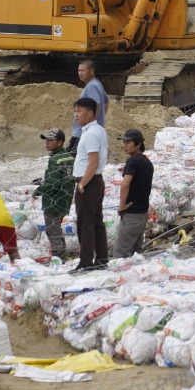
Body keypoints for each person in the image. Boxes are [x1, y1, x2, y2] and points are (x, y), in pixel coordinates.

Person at [71, 98, 110, 268]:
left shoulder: (91, 133)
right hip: (95, 181)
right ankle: (101, 259)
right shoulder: (99, 130)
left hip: (88, 182)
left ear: (90, 113)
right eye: (75, 111)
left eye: (79, 111)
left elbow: (93, 162)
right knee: (96, 222)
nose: (76, 115)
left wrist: (82, 184)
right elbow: (106, 155)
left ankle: (85, 262)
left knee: (85, 224)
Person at [113, 130, 153, 259]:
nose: (125, 145)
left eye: (128, 142)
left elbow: (125, 184)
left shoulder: (132, 162)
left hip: (132, 214)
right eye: (124, 142)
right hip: (142, 212)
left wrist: (122, 205)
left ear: (138, 144)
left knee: (121, 254)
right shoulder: (147, 162)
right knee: (136, 253)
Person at [35, 130, 75, 258]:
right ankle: (62, 253)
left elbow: (53, 183)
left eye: (50, 140)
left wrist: (38, 190)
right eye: (46, 140)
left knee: (52, 231)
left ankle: (59, 257)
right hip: (65, 199)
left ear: (60, 142)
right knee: (57, 228)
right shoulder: (68, 156)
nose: (47, 143)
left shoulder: (56, 159)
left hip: (53, 200)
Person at [73, 63, 109, 142]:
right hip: (93, 131)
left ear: (92, 71)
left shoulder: (91, 86)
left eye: (83, 70)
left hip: (82, 133)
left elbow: (96, 104)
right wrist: (99, 118)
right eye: (79, 70)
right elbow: (106, 102)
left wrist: (89, 126)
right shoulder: (98, 84)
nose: (80, 73)